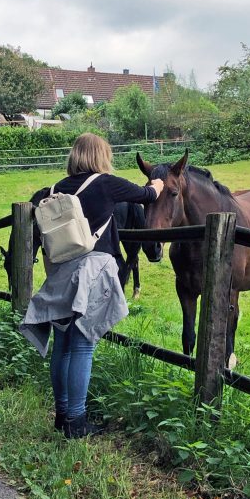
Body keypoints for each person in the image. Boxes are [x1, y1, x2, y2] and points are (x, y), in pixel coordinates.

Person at [20, 133, 164, 439]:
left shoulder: (56, 189)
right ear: (101, 155)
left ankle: (62, 414)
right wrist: (160, 182)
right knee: (84, 345)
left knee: (63, 345)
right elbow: (147, 195)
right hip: (94, 269)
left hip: (60, 272)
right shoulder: (105, 183)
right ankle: (77, 420)